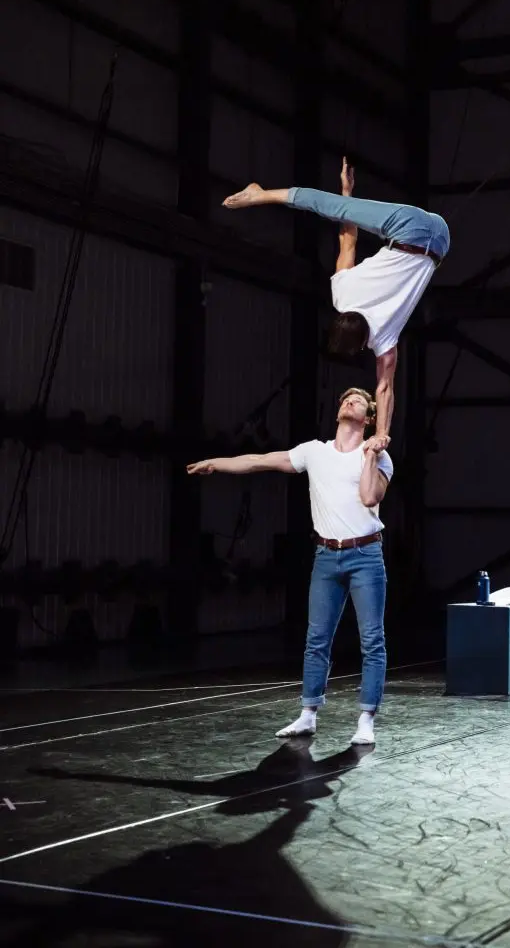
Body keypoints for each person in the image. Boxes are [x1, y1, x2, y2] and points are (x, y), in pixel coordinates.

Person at [186, 387, 392, 746]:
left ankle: (366, 720)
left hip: (365, 555)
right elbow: (260, 460)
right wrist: (218, 463)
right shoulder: (314, 452)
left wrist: (372, 453)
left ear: (369, 418)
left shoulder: (379, 457)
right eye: (346, 399)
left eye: (358, 401)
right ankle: (308, 714)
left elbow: (369, 496)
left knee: (372, 639)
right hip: (326, 556)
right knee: (317, 638)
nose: (349, 402)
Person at [222, 162, 450, 452]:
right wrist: (345, 197)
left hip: (440, 242)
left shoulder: (383, 341)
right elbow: (347, 239)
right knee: (327, 206)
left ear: (362, 344)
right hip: (407, 224)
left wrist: (382, 433)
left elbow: (384, 388)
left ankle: (257, 194)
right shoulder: (342, 298)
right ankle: (261, 194)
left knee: (336, 208)